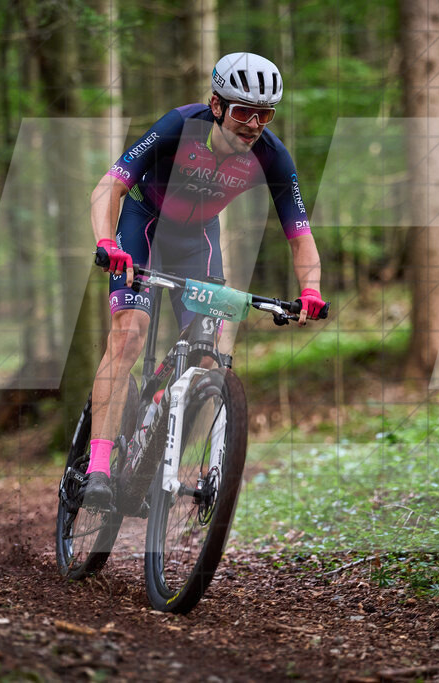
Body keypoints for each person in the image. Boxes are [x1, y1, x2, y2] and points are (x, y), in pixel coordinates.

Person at [84, 52, 325, 507]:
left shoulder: (273, 156)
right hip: (144, 226)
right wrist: (106, 241)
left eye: (265, 114)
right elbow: (110, 185)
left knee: (208, 356)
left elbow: (300, 236)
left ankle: (156, 427)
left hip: (197, 241)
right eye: (242, 112)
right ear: (216, 106)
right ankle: (97, 467)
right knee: (129, 336)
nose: (253, 125)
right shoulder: (179, 125)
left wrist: (310, 289)